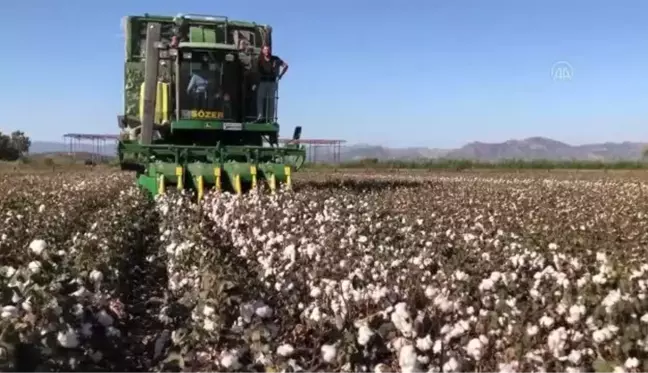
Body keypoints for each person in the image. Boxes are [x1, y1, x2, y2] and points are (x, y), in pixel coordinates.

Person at [254, 45, 288, 122]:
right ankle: (260, 117)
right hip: (263, 82)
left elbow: (286, 66)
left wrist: (280, 75)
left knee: (271, 100)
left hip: (272, 82)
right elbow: (257, 71)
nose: (267, 51)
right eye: (265, 50)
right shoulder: (260, 60)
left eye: (268, 50)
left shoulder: (275, 59)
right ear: (262, 51)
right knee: (260, 99)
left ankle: (270, 119)